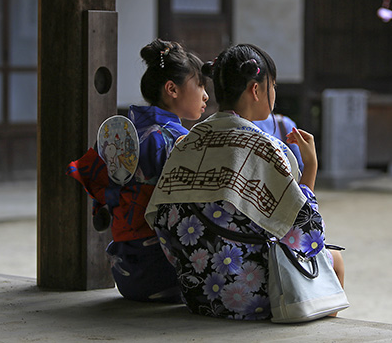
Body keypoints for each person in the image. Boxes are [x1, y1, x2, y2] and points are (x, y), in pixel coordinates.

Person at [145, 43, 344, 320]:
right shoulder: (266, 148)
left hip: (197, 293)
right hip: (254, 296)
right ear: (256, 89)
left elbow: (160, 220)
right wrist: (310, 166)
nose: (273, 93)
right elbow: (308, 237)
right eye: (271, 85)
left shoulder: (186, 142)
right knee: (335, 261)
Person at [67, 39, 209, 302]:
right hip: (165, 271)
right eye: (200, 85)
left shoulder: (127, 133)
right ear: (172, 89)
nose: (205, 95)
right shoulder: (175, 139)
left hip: (127, 272)